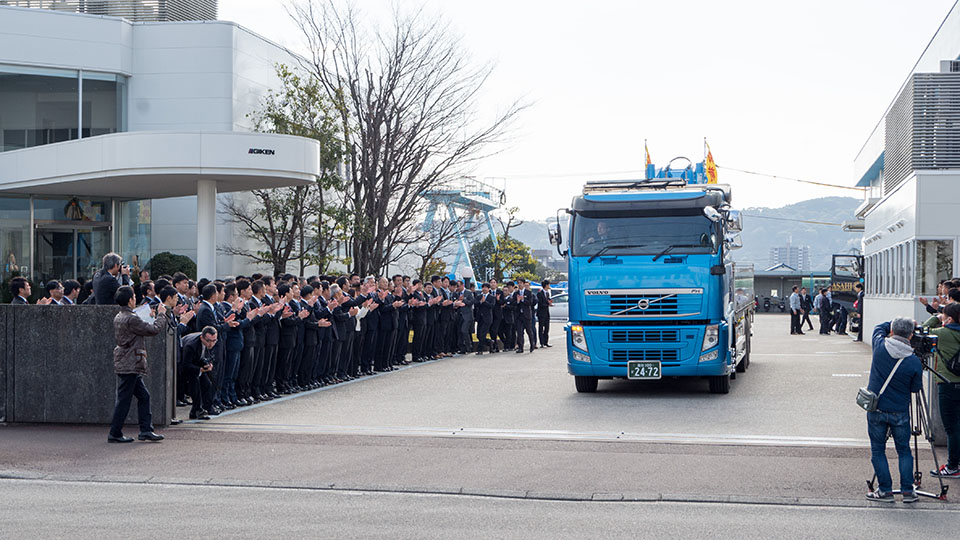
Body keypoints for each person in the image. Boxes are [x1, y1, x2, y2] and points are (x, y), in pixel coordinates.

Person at [865, 317, 924, 502]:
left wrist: (893, 321)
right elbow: (915, 389)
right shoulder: (914, 361)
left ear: (891, 331)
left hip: (877, 409)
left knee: (878, 450)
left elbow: (878, 327)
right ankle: (907, 491)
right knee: (904, 450)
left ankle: (885, 491)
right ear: (911, 335)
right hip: (899, 411)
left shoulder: (880, 347)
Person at [108, 285, 167, 443]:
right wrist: (161, 316)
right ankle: (116, 432)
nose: (135, 299)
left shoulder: (120, 316)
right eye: (133, 297)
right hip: (131, 361)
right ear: (129, 300)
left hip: (125, 360)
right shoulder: (131, 318)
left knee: (142, 396)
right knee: (125, 399)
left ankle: (145, 430)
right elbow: (153, 330)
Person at [921, 303, 960, 479]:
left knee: (951, 428)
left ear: (949, 318)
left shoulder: (942, 334)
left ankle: (953, 466)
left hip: (947, 384)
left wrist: (936, 317)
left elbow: (922, 331)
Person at [180, 326, 219, 420]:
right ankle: (198, 410)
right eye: (209, 341)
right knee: (195, 386)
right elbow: (185, 365)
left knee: (207, 384)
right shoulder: (191, 346)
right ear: (202, 338)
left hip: (196, 363)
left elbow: (206, 356)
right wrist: (200, 369)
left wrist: (208, 364)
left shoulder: (209, 343)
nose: (211, 344)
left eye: (214, 341)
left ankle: (200, 409)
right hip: (185, 365)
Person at [536, 280, 553, 347]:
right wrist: (547, 304)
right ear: (546, 285)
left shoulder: (547, 293)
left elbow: (547, 301)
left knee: (547, 328)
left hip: (546, 313)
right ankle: (542, 342)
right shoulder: (540, 293)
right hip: (541, 313)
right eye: (548, 285)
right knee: (541, 328)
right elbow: (540, 304)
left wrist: (550, 303)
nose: (549, 286)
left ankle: (546, 342)